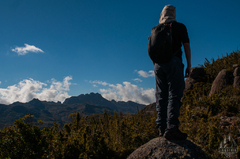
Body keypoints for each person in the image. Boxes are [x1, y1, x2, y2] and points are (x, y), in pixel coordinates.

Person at [153, 5, 191, 140]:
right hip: (173, 62)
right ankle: (172, 128)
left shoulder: (156, 29)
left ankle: (161, 127)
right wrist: (189, 65)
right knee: (174, 94)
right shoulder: (180, 27)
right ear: (173, 14)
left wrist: (156, 66)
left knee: (161, 96)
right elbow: (186, 45)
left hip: (158, 65)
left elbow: (152, 49)